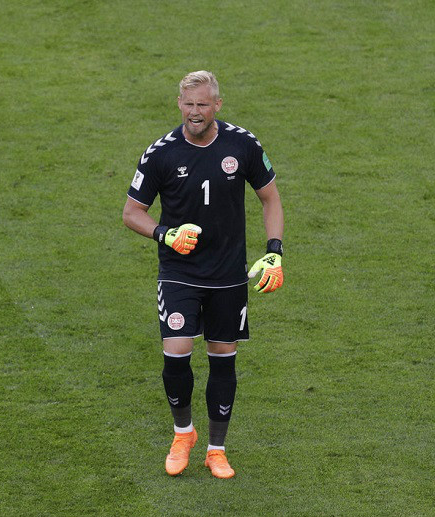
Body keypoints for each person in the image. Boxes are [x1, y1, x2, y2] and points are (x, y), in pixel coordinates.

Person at [122, 70, 285, 479]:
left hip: (229, 274)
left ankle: (216, 450)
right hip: (179, 271)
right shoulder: (160, 153)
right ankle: (183, 434)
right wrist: (165, 233)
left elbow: (270, 200)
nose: (195, 113)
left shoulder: (242, 144)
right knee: (176, 351)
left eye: (203, 105)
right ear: (179, 104)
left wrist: (274, 252)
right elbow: (131, 213)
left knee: (222, 359)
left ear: (217, 105)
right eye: (189, 104)